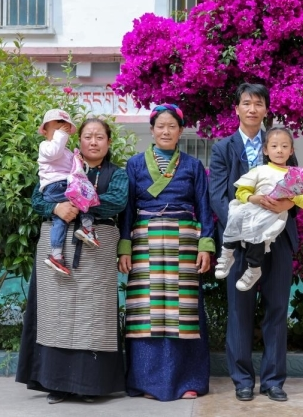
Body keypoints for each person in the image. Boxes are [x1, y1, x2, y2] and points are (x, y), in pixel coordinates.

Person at [16, 116, 128, 404]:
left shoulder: (117, 174)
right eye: (88, 136)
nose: (93, 142)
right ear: (79, 140)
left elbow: (118, 201)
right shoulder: (60, 165)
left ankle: (91, 385)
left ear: (109, 142)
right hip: (58, 248)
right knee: (57, 315)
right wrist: (56, 208)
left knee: (94, 318)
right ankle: (56, 383)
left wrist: (79, 202)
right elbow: (37, 200)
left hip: (96, 252)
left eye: (100, 137)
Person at [118, 103, 214, 402]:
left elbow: (204, 206)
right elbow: (127, 209)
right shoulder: (135, 165)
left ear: (181, 131)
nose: (166, 131)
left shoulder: (193, 166)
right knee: (146, 313)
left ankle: (188, 380)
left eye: (172, 126)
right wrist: (124, 247)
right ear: (151, 130)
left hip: (183, 242)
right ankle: (147, 382)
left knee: (183, 312)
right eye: (161, 126)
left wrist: (206, 245)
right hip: (144, 241)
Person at [209, 83, 298, 403]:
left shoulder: (279, 142)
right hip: (240, 242)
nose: (252, 109)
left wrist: (286, 204)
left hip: (278, 238)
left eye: (258, 103)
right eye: (246, 103)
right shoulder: (223, 148)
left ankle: (273, 380)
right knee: (239, 310)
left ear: (266, 110)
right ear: (236, 109)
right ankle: (242, 379)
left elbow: (297, 186)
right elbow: (217, 196)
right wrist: (243, 227)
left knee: (277, 309)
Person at [215, 127, 303, 292]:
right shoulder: (259, 170)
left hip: (272, 216)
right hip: (253, 209)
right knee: (235, 214)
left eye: (284, 146)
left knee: (258, 233)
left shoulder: (296, 176)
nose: (279, 150)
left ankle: (254, 269)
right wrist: (254, 198)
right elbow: (241, 192)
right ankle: (227, 253)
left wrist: (292, 197)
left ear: (291, 151)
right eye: (274, 146)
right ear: (265, 150)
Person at [37, 109, 100, 276]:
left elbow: (74, 171)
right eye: (58, 126)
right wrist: (61, 135)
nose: (62, 129)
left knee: (60, 220)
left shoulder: (65, 151)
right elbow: (54, 152)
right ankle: (87, 227)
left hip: (61, 186)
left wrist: (78, 161)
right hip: (56, 186)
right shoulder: (46, 146)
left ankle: (56, 254)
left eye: (65, 127)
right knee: (85, 197)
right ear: (45, 131)